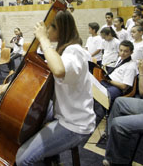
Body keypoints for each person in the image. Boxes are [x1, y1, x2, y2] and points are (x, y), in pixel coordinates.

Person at [15, 10, 96, 165]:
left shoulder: (75, 51)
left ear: (60, 29)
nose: (46, 31)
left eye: (49, 28)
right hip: (64, 112)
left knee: (22, 159)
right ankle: (51, 158)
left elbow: (59, 70)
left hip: (75, 124)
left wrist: (44, 39)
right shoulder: (63, 49)